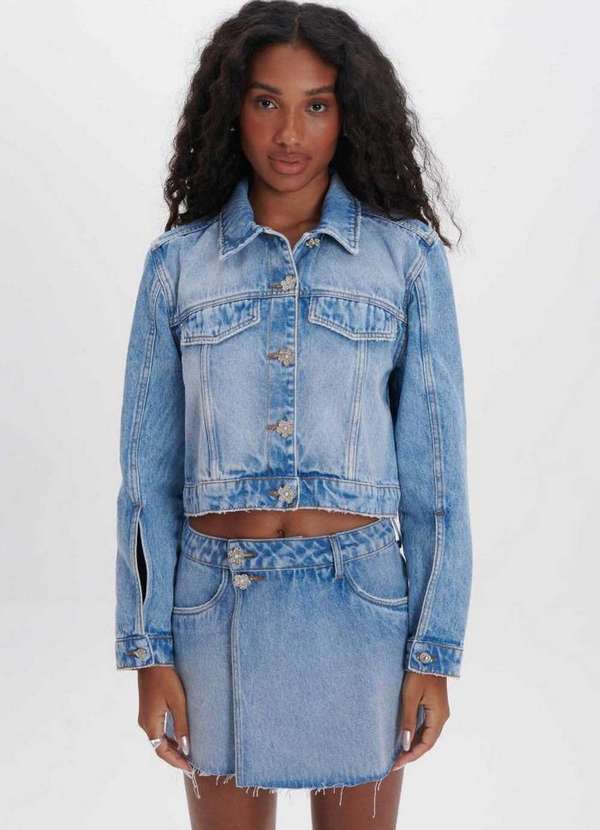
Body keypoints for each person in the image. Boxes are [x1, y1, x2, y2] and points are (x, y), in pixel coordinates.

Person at [114, 2, 473, 828]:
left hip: (360, 605)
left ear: (348, 115)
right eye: (266, 101)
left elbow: (436, 478)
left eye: (317, 104)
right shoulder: (177, 265)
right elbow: (146, 480)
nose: (289, 132)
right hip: (213, 607)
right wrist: (148, 649)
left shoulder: (406, 258)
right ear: (231, 108)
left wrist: (433, 652)